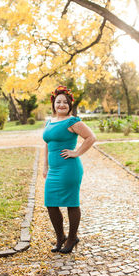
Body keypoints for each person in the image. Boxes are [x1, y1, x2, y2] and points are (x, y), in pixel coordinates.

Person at [43, 85, 96, 254]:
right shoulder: (49, 122)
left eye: (65, 102)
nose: (61, 105)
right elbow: (47, 144)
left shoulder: (73, 121)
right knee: (51, 203)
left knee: (71, 203)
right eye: (58, 102)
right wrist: (45, 166)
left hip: (69, 169)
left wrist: (76, 152)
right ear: (53, 104)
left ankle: (72, 238)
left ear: (70, 105)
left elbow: (91, 137)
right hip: (54, 170)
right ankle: (61, 237)